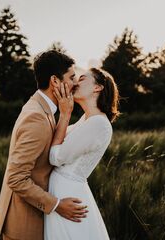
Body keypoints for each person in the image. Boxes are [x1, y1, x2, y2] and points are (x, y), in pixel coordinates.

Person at [0, 50, 88, 240]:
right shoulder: (37, 117)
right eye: (71, 78)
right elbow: (16, 178)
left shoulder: (41, 107)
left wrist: (65, 115)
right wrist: (57, 205)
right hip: (23, 224)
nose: (75, 84)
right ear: (55, 81)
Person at [44, 67, 120, 240]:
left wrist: (65, 113)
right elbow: (57, 140)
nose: (76, 82)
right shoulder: (86, 119)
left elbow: (55, 157)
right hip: (61, 191)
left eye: (82, 78)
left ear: (97, 87)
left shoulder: (98, 124)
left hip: (68, 194)